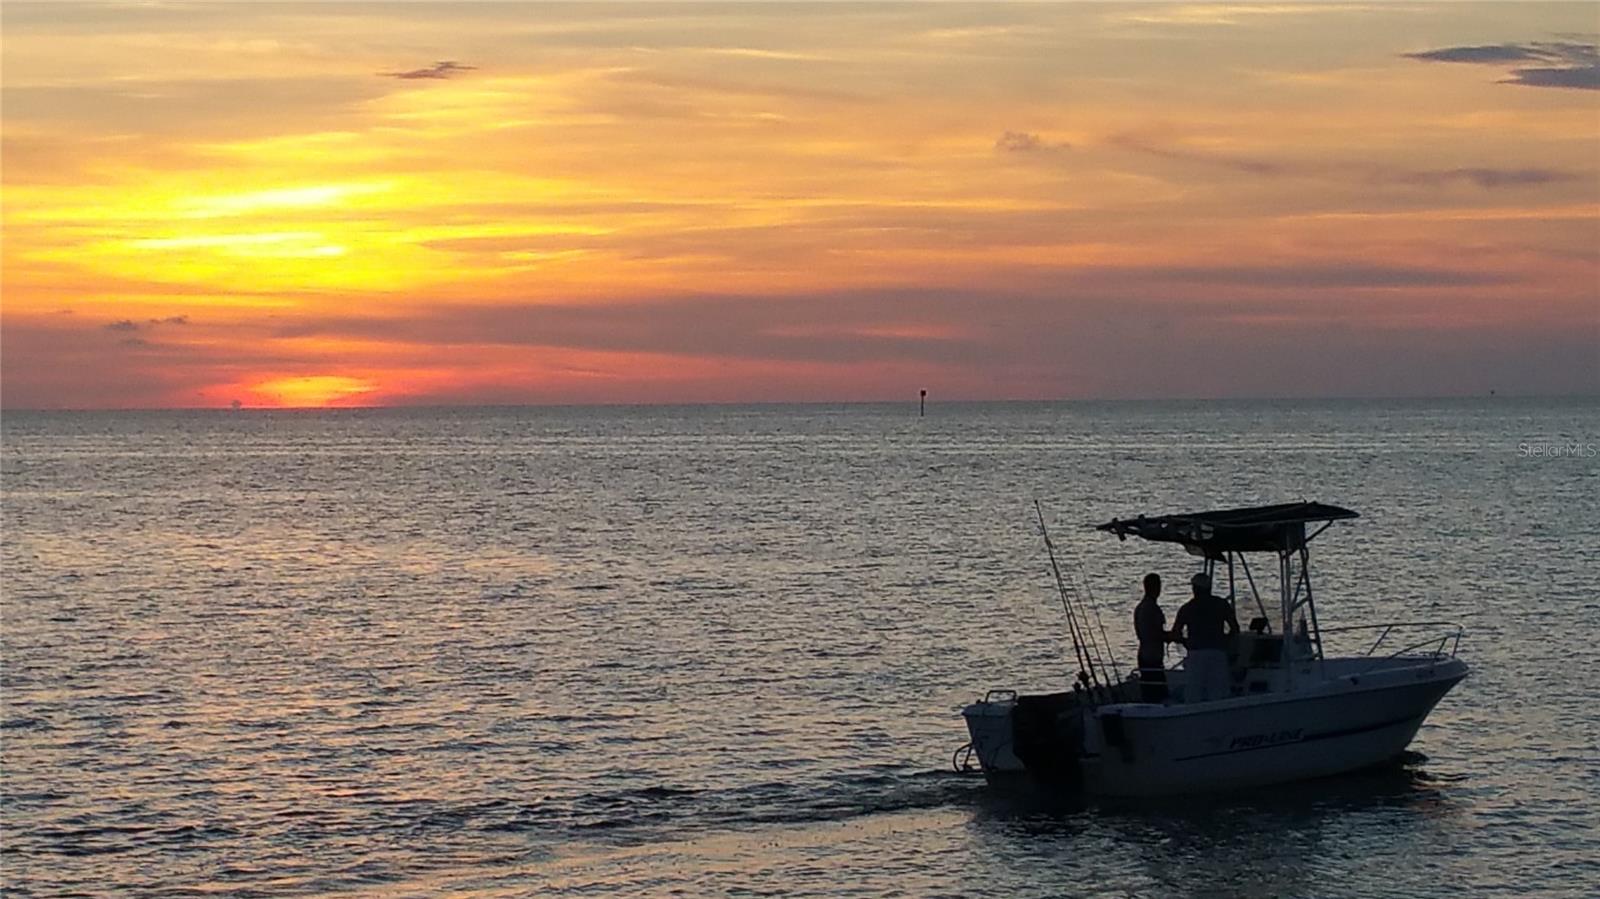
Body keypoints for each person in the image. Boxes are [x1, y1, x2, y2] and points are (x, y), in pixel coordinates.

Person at [1171, 572, 1239, 703]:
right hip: (1217, 653)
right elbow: (1235, 629)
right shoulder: (1221, 604)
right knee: (1218, 696)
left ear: (1195, 589)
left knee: (1194, 697)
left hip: (1196, 655)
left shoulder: (1187, 608)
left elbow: (1176, 633)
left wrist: (1186, 642)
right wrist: (1225, 641)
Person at [1133, 573, 1169, 702]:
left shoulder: (1140, 607)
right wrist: (1174, 637)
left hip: (1145, 654)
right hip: (1151, 656)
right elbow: (1156, 633)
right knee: (1158, 694)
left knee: (1149, 691)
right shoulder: (1151, 608)